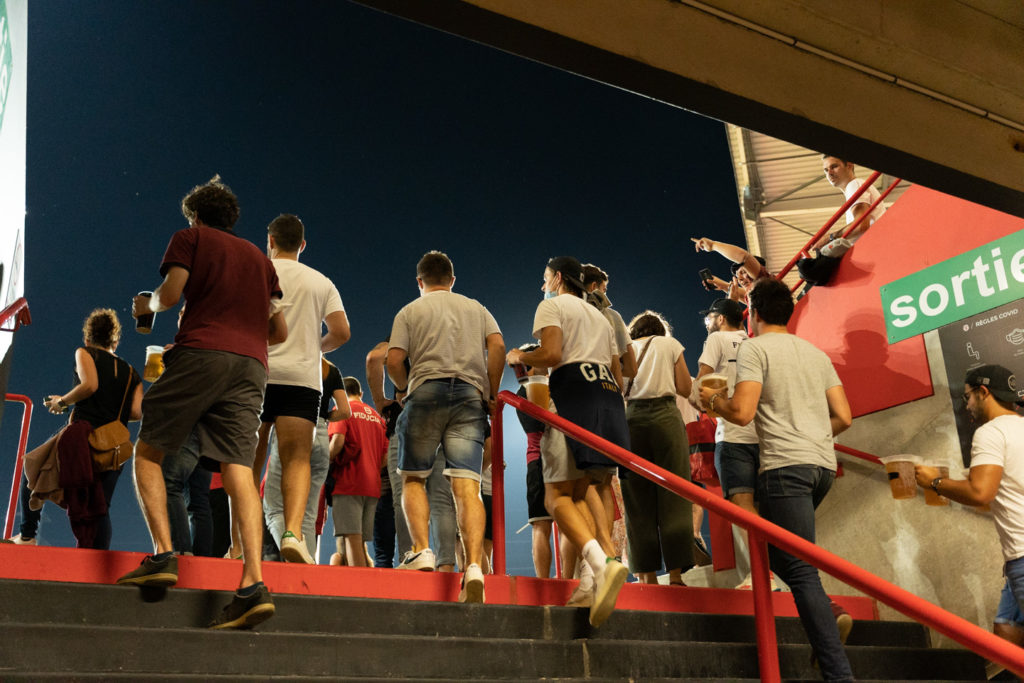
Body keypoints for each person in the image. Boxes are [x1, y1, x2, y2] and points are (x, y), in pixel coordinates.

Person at [118, 175, 286, 631]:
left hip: (202, 353)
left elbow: (169, 296)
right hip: (252, 366)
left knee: (148, 452)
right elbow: (281, 332)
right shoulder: (260, 259)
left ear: (195, 214)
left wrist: (144, 308)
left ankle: (163, 555)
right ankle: (253, 583)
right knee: (238, 469)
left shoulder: (189, 238)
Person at [700, 277, 854, 681]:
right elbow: (844, 416)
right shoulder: (814, 352)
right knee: (780, 553)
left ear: (754, 312)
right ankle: (827, 630)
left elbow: (743, 412)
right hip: (821, 467)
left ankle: (839, 672)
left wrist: (713, 402)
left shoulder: (754, 348)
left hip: (785, 468)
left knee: (798, 568)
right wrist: (812, 437)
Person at [505, 256, 629, 627]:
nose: (542, 285)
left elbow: (553, 354)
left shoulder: (552, 305)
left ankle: (600, 562)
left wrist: (521, 356)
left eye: (545, 278)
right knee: (593, 488)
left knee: (556, 496)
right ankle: (595, 576)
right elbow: (619, 374)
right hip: (608, 396)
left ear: (558, 278)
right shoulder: (602, 317)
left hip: (575, 395)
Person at [386, 251, 504, 604]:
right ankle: (473, 568)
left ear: (420, 282)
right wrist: (491, 390)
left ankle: (421, 550)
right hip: (469, 396)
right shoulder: (476, 308)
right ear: (452, 280)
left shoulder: (410, 310)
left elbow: (392, 359)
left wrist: (405, 389)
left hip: (425, 392)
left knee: (413, 477)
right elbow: (497, 345)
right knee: (467, 486)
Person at [254, 214, 350, 564]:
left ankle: (240, 542)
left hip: (258, 373)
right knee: (297, 460)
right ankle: (293, 533)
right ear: (303, 245)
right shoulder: (321, 281)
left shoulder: (258, 270)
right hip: (301, 380)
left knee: (250, 459)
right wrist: (315, 347)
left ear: (271, 240)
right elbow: (341, 332)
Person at [913, 365, 1024, 668]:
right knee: (1005, 637)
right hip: (1016, 560)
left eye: (968, 398)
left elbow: (980, 493)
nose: (968, 406)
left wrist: (934, 482)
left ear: (983, 392)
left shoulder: (989, 432)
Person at [25, 309, 144, 549]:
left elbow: (89, 385)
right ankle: (96, 560)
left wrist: (63, 402)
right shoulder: (132, 373)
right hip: (114, 447)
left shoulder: (85, 353)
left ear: (88, 338)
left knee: (34, 467)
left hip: (84, 439)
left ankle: (27, 536)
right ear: (115, 341)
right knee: (101, 507)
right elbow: (136, 413)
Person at [692, 296, 774, 589]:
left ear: (720, 319)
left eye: (709, 318)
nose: (707, 323)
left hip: (733, 434)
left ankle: (762, 573)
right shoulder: (756, 342)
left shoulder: (717, 340)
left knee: (742, 507)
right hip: (764, 434)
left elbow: (701, 383)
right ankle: (772, 571)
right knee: (763, 508)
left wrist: (696, 398)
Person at [367, 337, 459, 572]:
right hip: (445, 420)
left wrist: (380, 400)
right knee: (441, 501)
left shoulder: (404, 338)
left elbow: (375, 358)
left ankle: (415, 555)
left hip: (410, 419)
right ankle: (446, 565)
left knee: (404, 493)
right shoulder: (442, 346)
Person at [621, 310, 694, 585]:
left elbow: (619, 386)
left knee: (637, 499)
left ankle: (647, 577)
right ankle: (675, 575)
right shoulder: (670, 345)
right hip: (665, 416)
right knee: (675, 491)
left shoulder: (626, 349)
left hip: (632, 421)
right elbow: (685, 387)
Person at [263, 356, 349, 562]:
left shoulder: (290, 362)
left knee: (274, 507)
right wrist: (326, 418)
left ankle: (292, 550)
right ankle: (307, 565)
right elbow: (345, 410)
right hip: (320, 435)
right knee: (308, 515)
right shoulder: (330, 369)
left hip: (291, 429)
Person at [797, 155, 887, 287]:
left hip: (875, 249)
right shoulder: (854, 188)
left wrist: (831, 237)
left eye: (834, 166)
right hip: (875, 248)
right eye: (826, 170)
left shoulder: (854, 185)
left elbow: (861, 225)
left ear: (849, 165)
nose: (830, 173)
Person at [326, 376, 388, 567]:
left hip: (348, 482)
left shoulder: (342, 411)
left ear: (340, 395)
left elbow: (337, 441)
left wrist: (323, 461)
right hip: (372, 486)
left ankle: (358, 591)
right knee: (359, 541)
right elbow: (385, 457)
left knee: (351, 539)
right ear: (360, 393)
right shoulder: (377, 418)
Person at [512, 343, 554, 578]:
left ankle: (567, 578)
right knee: (541, 524)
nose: (545, 365)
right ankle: (544, 582)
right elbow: (536, 425)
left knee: (566, 525)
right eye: (538, 360)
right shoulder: (522, 393)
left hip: (557, 458)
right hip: (538, 460)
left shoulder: (557, 386)